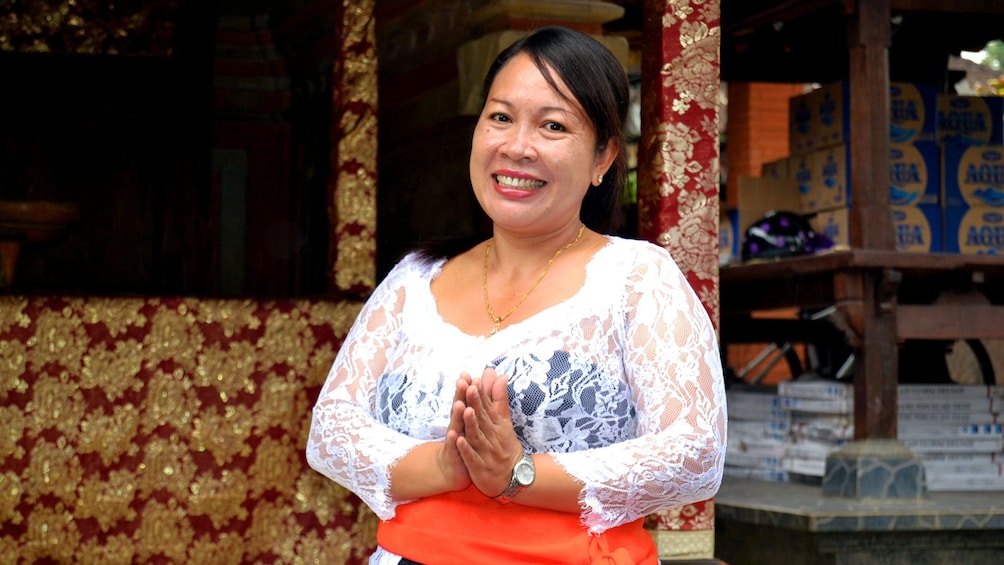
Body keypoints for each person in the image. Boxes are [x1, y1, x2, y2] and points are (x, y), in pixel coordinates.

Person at [307, 26, 727, 565]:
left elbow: (694, 453)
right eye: (501, 117)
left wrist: (517, 473)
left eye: (553, 125)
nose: (517, 146)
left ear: (602, 158)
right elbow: (331, 429)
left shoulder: (637, 279)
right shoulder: (414, 280)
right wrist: (441, 465)